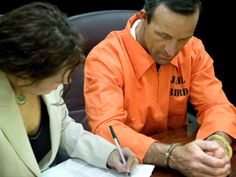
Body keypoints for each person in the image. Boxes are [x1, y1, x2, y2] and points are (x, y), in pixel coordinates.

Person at [84, 0, 236, 176]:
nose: (171, 50)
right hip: (126, 167)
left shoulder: (193, 49)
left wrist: (218, 143)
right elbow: (107, 128)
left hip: (181, 161)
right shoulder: (104, 58)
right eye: (163, 36)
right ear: (144, 18)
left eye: (183, 39)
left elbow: (216, 105)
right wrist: (172, 155)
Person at [0, 2, 138, 177]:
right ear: (24, 76)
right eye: (58, 78)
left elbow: (63, 127)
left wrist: (108, 154)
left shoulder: (45, 84)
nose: (67, 81)